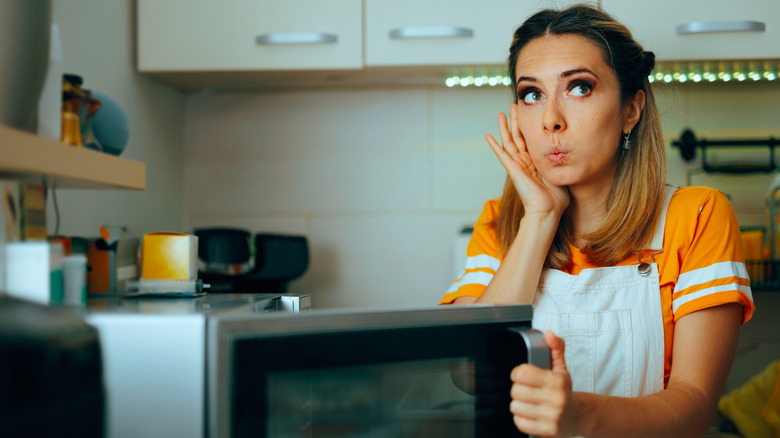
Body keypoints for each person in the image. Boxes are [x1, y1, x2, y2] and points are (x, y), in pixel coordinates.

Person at [439, 4, 755, 437]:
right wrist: (540, 217)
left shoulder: (697, 215)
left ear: (631, 109)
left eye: (579, 87)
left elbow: (694, 409)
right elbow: (469, 373)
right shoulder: (501, 223)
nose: (551, 119)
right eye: (532, 94)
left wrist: (581, 415)